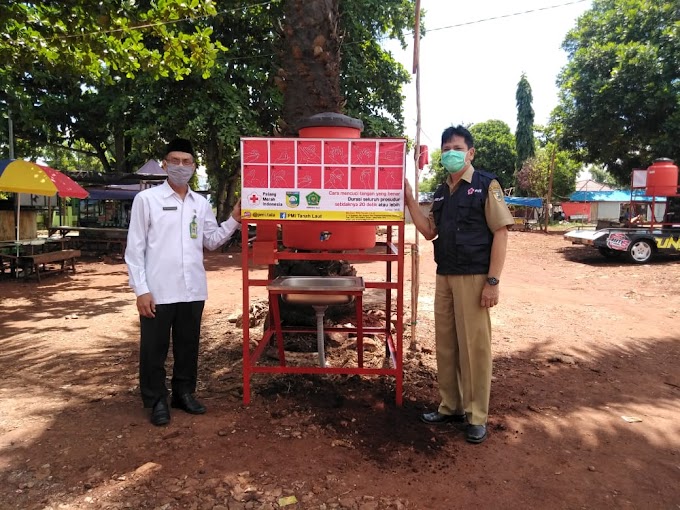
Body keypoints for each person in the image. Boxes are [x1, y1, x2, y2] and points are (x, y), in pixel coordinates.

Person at [404, 125, 514, 444]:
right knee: (447, 343)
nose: (451, 152)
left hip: (474, 276)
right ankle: (450, 406)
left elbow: (501, 232)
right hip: (445, 276)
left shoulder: (485, 185)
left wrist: (493, 281)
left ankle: (476, 414)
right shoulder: (441, 191)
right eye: (446, 147)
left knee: (475, 347)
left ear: (470, 152)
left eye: (457, 147)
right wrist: (410, 199)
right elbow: (428, 231)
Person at [125, 138, 241, 426]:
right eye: (174, 161)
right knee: (154, 348)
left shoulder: (200, 203)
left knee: (188, 345)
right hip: (158, 291)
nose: (180, 166)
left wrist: (235, 219)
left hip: (192, 290)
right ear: (165, 164)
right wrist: (141, 290)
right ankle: (156, 400)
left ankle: (183, 393)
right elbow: (134, 249)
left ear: (193, 166)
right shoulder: (147, 200)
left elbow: (211, 241)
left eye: (186, 161)